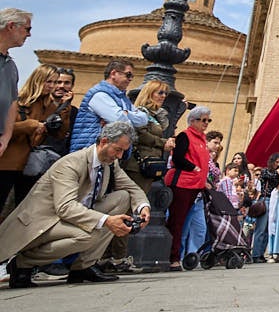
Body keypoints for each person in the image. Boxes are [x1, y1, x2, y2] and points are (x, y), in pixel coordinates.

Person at [0, 120, 149, 288]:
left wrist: (143, 207)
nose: (120, 156)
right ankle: (22, 263)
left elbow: (131, 187)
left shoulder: (109, 163)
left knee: (123, 197)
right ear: (104, 141)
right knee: (89, 235)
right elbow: (65, 208)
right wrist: (107, 220)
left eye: (123, 151)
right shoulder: (71, 163)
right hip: (46, 220)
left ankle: (84, 266)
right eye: (118, 150)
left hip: (75, 214)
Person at [162, 106, 214, 270]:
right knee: (176, 222)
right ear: (193, 121)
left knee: (186, 223)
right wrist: (194, 168)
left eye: (208, 120)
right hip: (183, 184)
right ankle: (172, 258)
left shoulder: (202, 139)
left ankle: (179, 254)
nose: (206, 123)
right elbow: (177, 157)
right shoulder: (185, 135)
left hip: (195, 186)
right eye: (203, 120)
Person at [0, 65, 54, 208]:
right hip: (7, 163)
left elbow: (56, 135)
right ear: (38, 80)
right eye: (49, 81)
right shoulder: (17, 101)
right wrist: (28, 125)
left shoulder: (49, 106)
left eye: (55, 82)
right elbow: (4, 129)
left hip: (28, 166)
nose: (52, 86)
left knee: (20, 209)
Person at [68, 60, 148, 153]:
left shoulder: (123, 98)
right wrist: (128, 117)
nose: (130, 79)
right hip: (90, 150)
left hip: (109, 152)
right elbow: (120, 121)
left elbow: (143, 119)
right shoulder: (99, 94)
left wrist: (125, 113)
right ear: (113, 73)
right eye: (128, 75)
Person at [121, 80, 173, 196]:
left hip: (148, 165)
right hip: (137, 165)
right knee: (133, 199)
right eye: (160, 93)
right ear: (150, 93)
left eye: (165, 93)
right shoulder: (140, 113)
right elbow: (141, 135)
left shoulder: (156, 115)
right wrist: (163, 143)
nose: (163, 96)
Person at [0, 9, 32, 162]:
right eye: (27, 29)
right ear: (11, 26)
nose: (29, 35)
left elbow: (13, 102)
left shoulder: (11, 66)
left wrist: (6, 137)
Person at [249, 153, 279, 263]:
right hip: (265, 200)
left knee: (269, 229)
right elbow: (268, 177)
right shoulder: (265, 171)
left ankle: (261, 253)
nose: (277, 164)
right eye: (276, 162)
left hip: (275, 201)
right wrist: (278, 173)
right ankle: (256, 254)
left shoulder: (278, 174)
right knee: (261, 228)